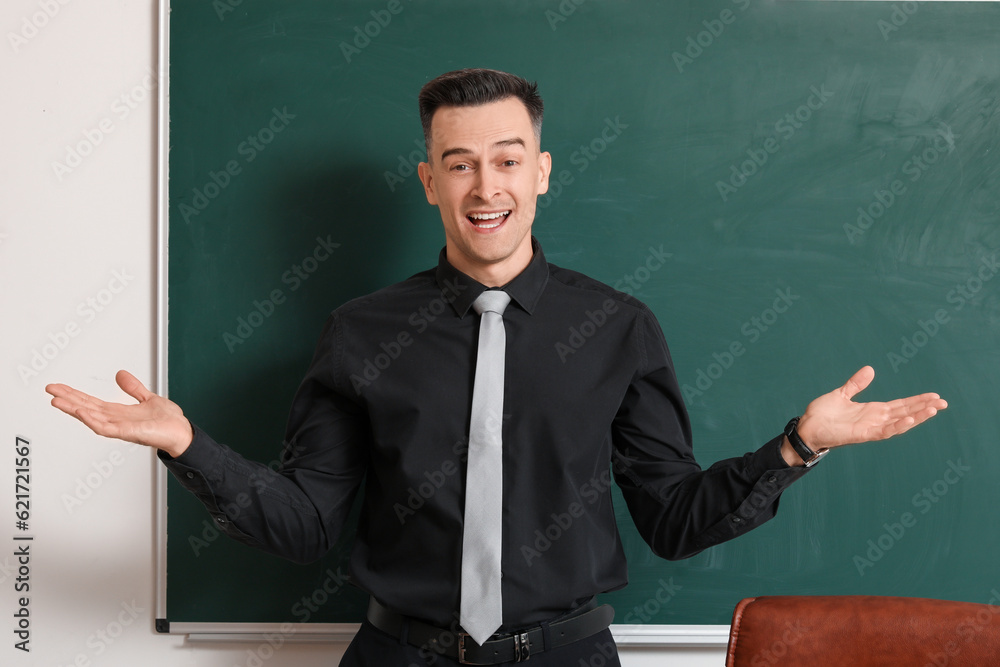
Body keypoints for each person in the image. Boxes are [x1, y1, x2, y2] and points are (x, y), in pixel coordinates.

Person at [46, 68, 947, 667]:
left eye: (508, 161)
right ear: (429, 180)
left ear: (543, 171)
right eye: (461, 163)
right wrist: (186, 444)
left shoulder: (617, 326)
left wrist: (795, 446)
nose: (488, 188)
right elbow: (307, 526)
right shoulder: (360, 333)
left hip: (568, 656)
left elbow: (670, 520)